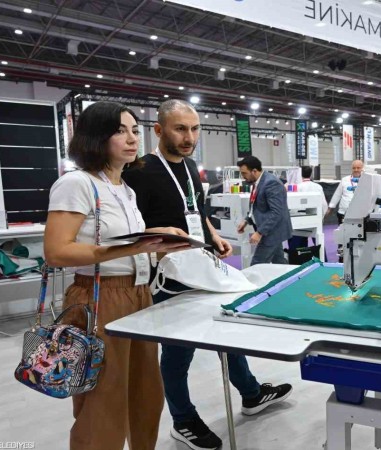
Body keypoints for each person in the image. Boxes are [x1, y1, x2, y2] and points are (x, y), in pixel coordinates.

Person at [124, 100, 292, 450]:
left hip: (201, 265)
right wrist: (163, 239)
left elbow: (195, 211)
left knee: (226, 328)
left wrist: (213, 235)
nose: (189, 137)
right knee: (178, 350)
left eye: (194, 129)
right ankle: (183, 420)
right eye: (180, 129)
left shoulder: (189, 166)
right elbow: (130, 228)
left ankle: (251, 393)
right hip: (167, 276)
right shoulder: (140, 171)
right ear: (159, 130)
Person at [44, 101, 193, 450]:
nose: (131, 139)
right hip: (99, 297)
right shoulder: (76, 183)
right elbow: (56, 251)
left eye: (134, 131)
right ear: (96, 137)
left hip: (139, 295)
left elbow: (122, 242)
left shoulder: (125, 189)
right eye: (120, 131)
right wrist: (132, 248)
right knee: (102, 400)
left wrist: (159, 238)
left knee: (146, 394)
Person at [237, 155, 294, 265]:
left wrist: (259, 232)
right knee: (279, 263)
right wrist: (247, 220)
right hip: (272, 230)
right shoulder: (258, 182)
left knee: (257, 265)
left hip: (272, 232)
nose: (243, 177)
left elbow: (277, 212)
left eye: (244, 173)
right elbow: (257, 207)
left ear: (254, 171)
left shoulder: (271, 183)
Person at [287, 166, 328, 251]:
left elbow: (291, 205)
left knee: (297, 245)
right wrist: (320, 218)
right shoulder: (318, 187)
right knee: (319, 244)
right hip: (315, 219)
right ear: (311, 174)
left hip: (298, 221)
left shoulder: (296, 187)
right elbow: (324, 205)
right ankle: (322, 258)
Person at [327, 159, 364, 224]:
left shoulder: (366, 180)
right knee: (342, 229)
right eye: (354, 168)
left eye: (358, 168)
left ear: (362, 168)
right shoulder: (345, 179)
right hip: (343, 212)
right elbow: (337, 194)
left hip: (360, 213)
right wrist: (330, 207)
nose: (356, 170)